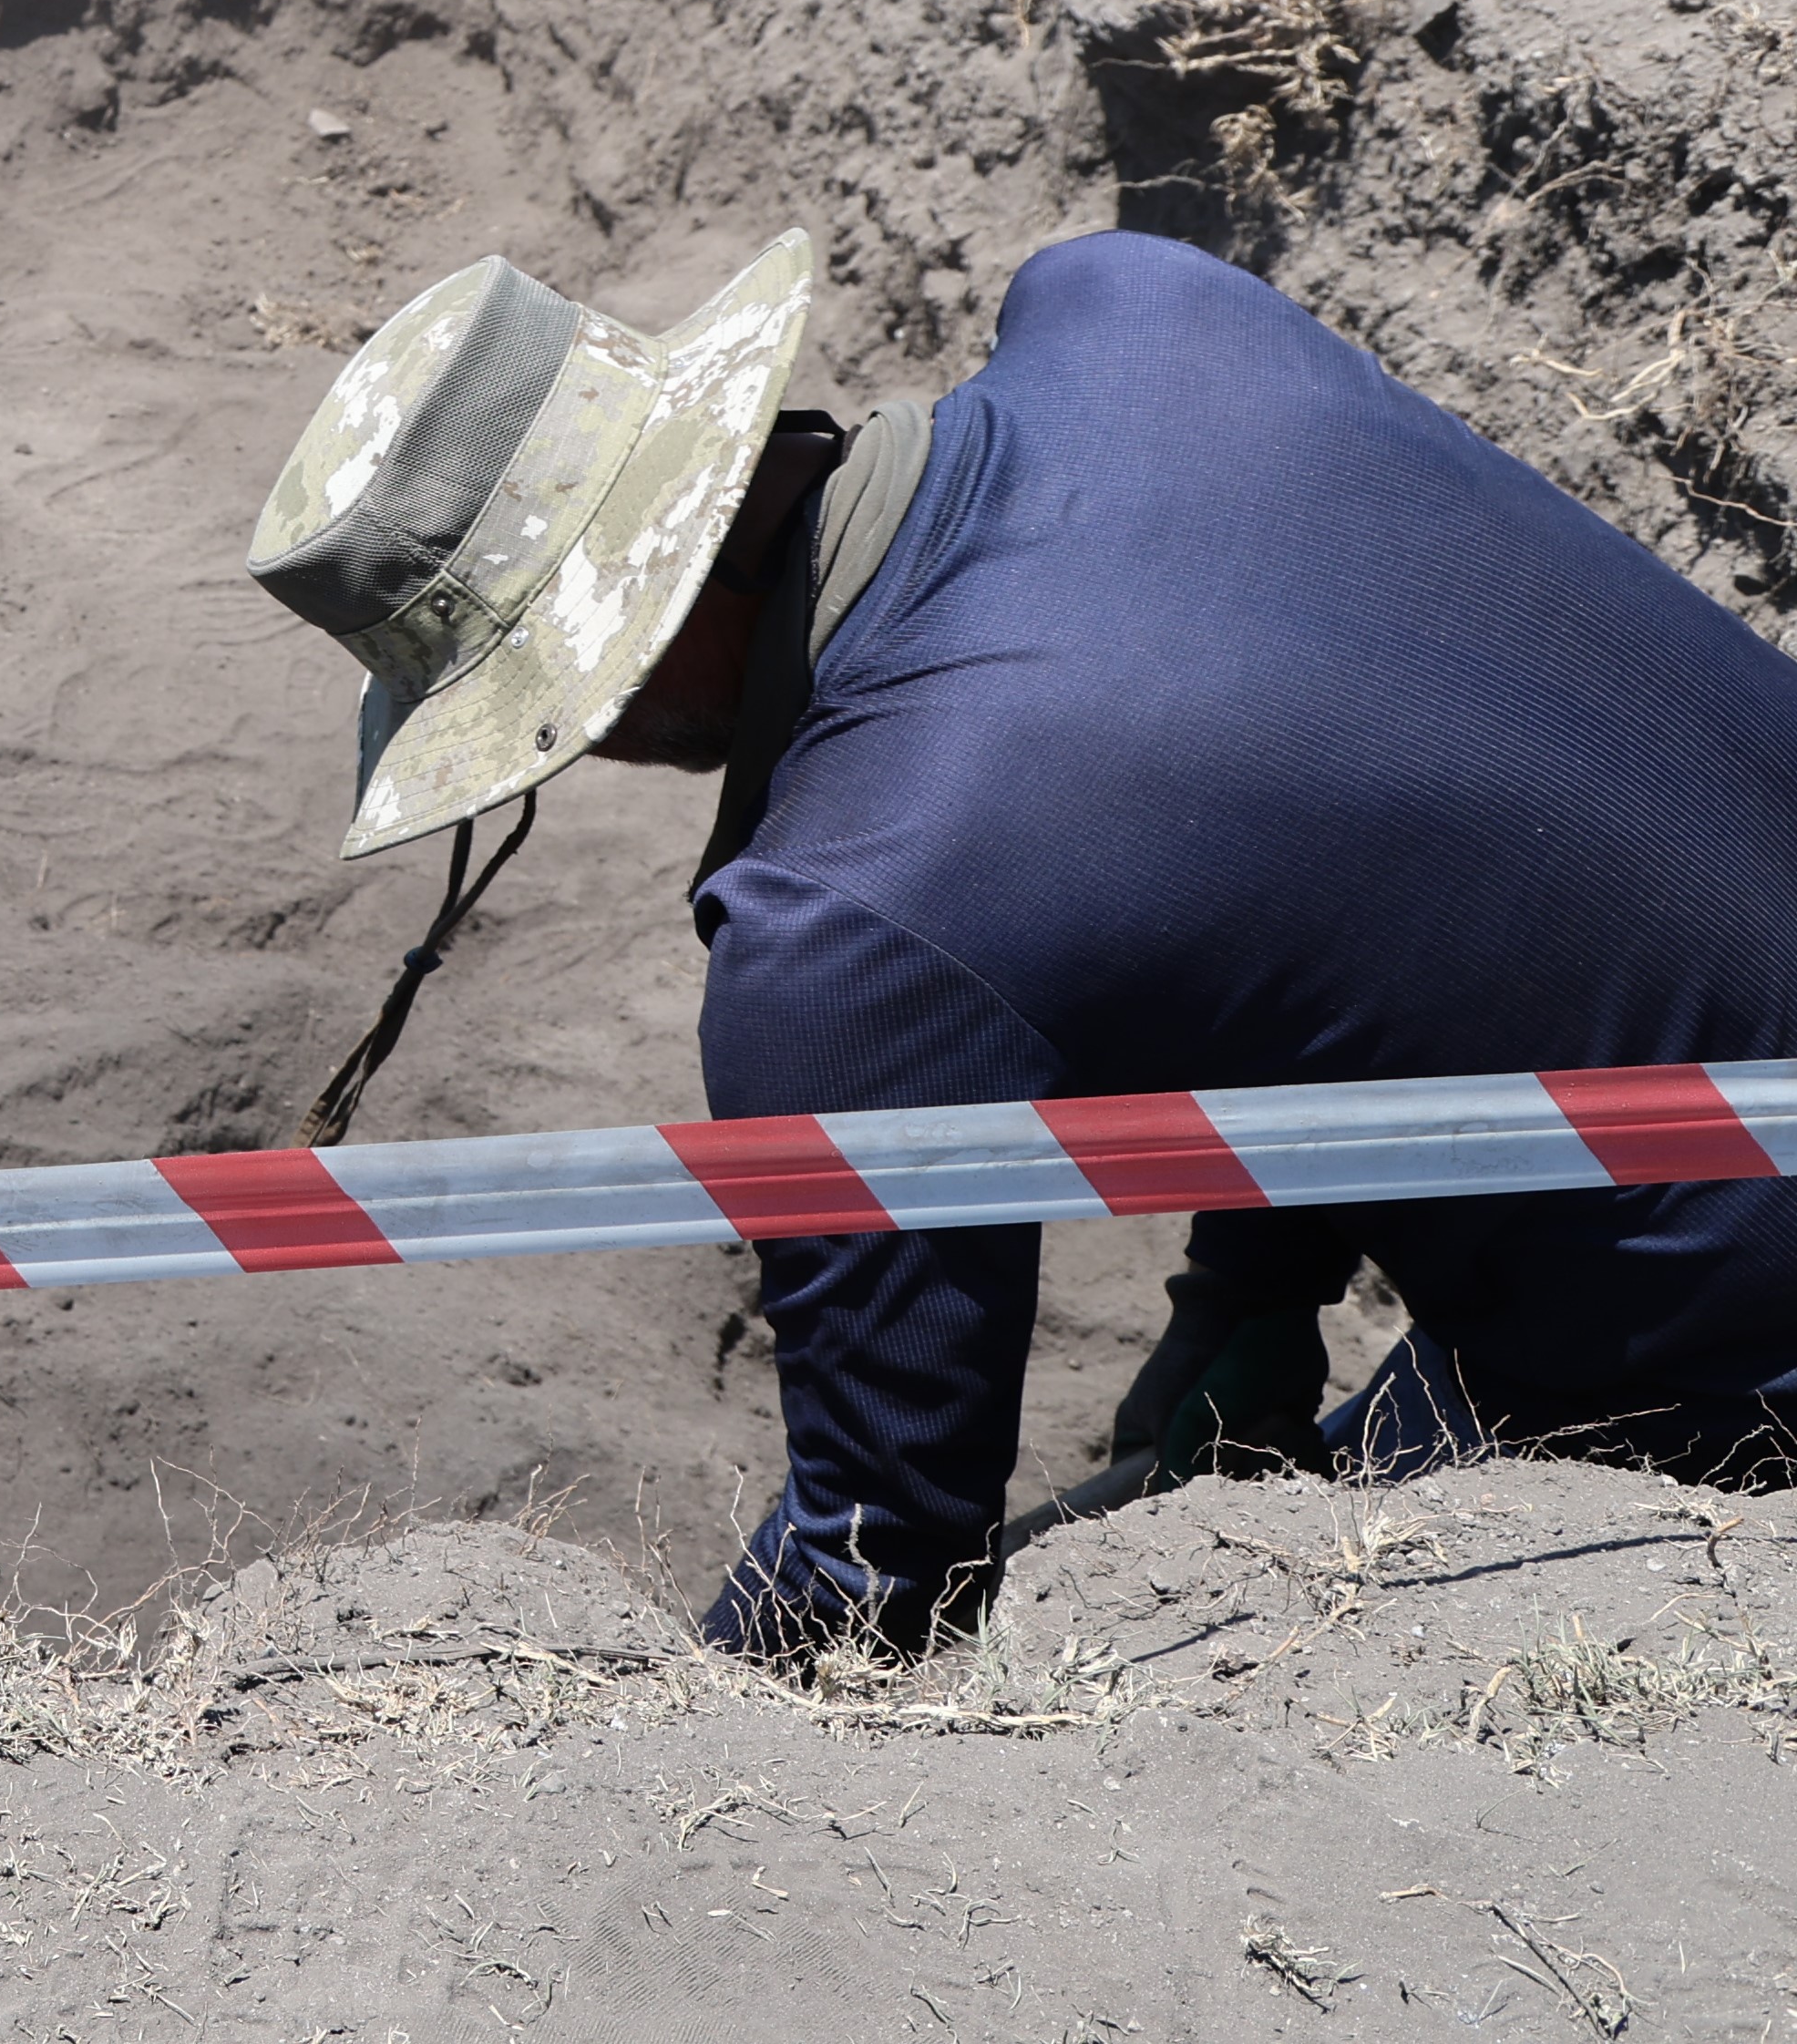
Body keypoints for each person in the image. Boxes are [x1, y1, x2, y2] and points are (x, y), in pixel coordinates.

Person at [241, 226, 1797, 1660]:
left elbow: (881, 1556)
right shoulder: (1141, 301)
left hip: (1739, 1343)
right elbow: (1367, 818)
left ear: (628, 650)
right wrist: (1251, 1287)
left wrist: (666, 1745)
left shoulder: (850, 920)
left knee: (1267, 1615)